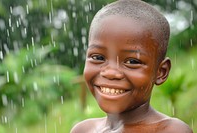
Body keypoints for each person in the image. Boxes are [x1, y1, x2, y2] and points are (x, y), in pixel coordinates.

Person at [71, 0, 193, 132]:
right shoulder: (83, 130)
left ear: (161, 72)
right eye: (98, 58)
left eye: (132, 62)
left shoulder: (170, 130)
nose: (110, 72)